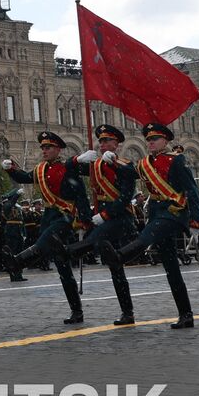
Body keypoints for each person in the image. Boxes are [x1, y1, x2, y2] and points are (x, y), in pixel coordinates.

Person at [111, 122, 199, 329]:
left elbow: (192, 190)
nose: (150, 143)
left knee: (147, 235)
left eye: (155, 139)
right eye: (149, 140)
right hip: (156, 213)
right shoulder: (145, 163)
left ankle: (119, 256)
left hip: (173, 213)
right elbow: (131, 173)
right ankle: (186, 314)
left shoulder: (176, 161)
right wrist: (113, 162)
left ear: (165, 141)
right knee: (171, 268)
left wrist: (196, 220)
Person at [2, 132, 92, 325]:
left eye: (48, 147)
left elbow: (81, 194)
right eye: (43, 147)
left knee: (47, 240)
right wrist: (11, 169)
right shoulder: (41, 169)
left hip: (65, 216)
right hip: (49, 217)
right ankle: (77, 311)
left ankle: (18, 262)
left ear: (58, 149)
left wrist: (85, 219)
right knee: (62, 266)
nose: (44, 150)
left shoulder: (67, 167)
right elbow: (25, 177)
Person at [68, 125, 139, 325]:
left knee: (94, 239)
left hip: (120, 218)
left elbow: (125, 197)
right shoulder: (95, 165)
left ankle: (69, 251)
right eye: (100, 141)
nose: (102, 144)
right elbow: (67, 170)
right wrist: (77, 160)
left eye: (107, 141)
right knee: (115, 267)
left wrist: (105, 214)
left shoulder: (125, 164)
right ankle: (128, 313)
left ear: (116, 145)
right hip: (103, 218)